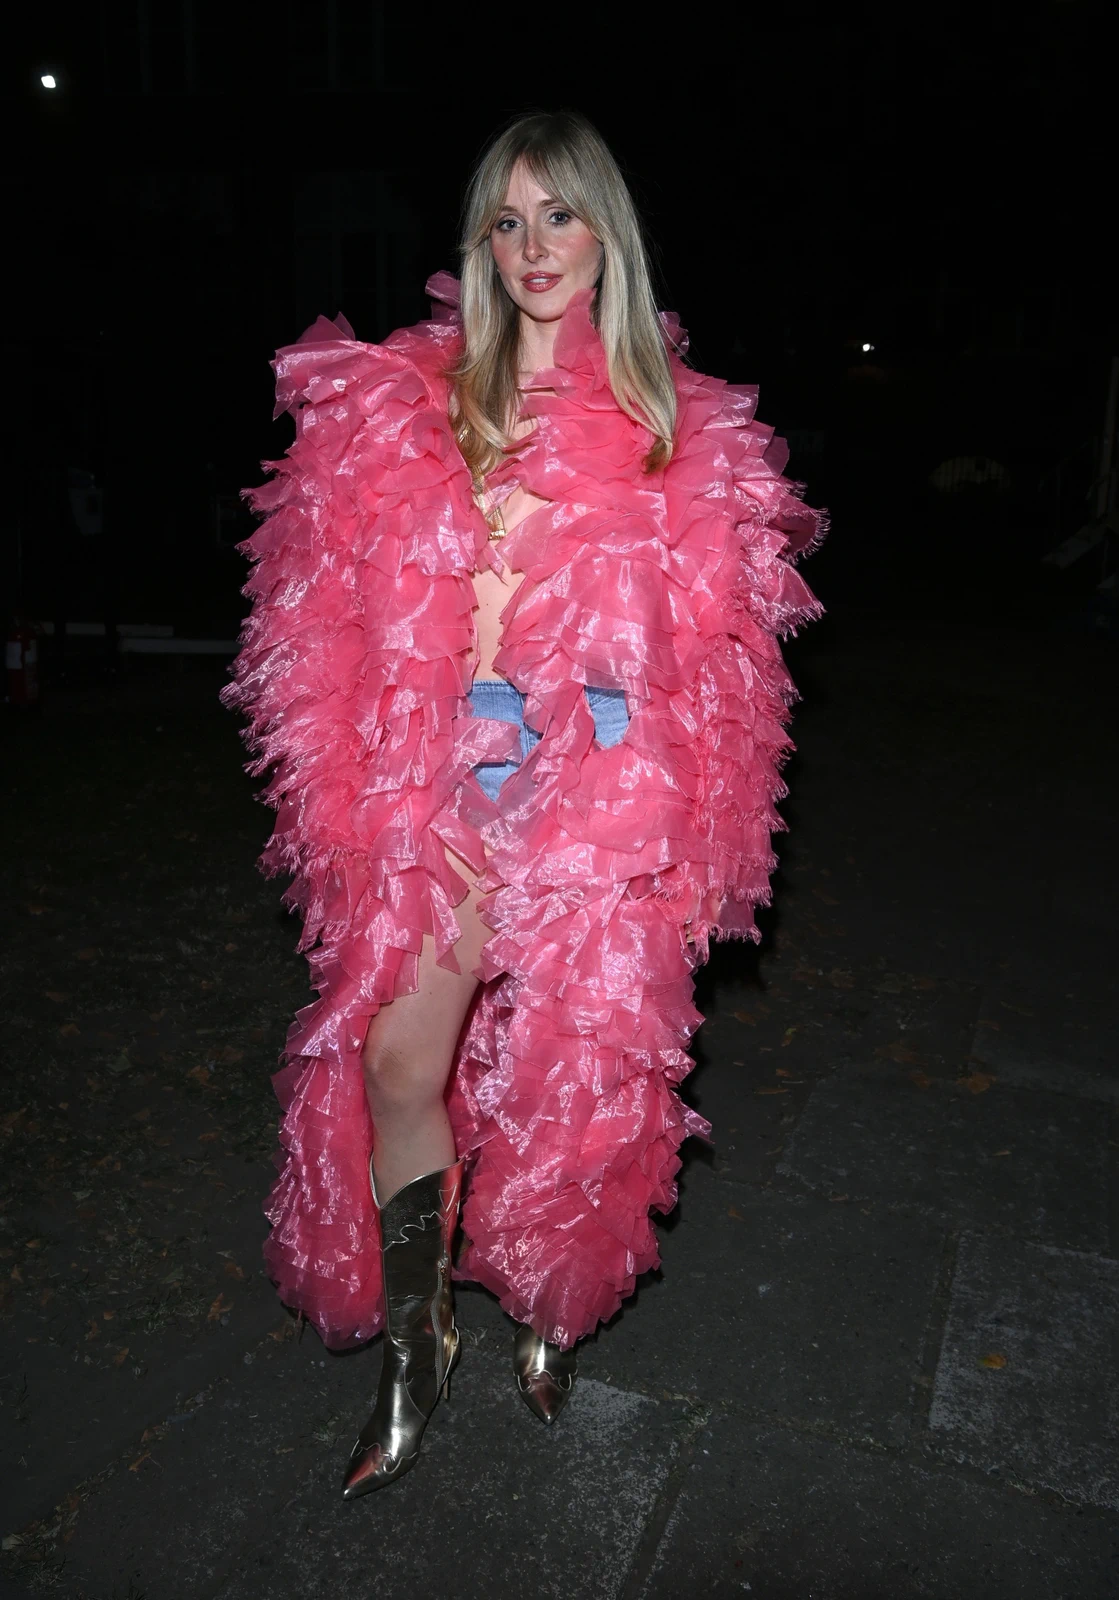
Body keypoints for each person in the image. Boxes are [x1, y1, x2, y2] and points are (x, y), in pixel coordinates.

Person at [223, 110, 824, 1500]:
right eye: (507, 220)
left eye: (559, 215)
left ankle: (550, 1297)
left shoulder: (680, 423)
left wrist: (706, 832)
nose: (533, 246)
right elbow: (316, 617)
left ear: (608, 233)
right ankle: (417, 1342)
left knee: (577, 1080)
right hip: (444, 763)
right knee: (397, 1063)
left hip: (603, 774)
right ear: (479, 244)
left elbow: (729, 674)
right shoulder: (409, 393)